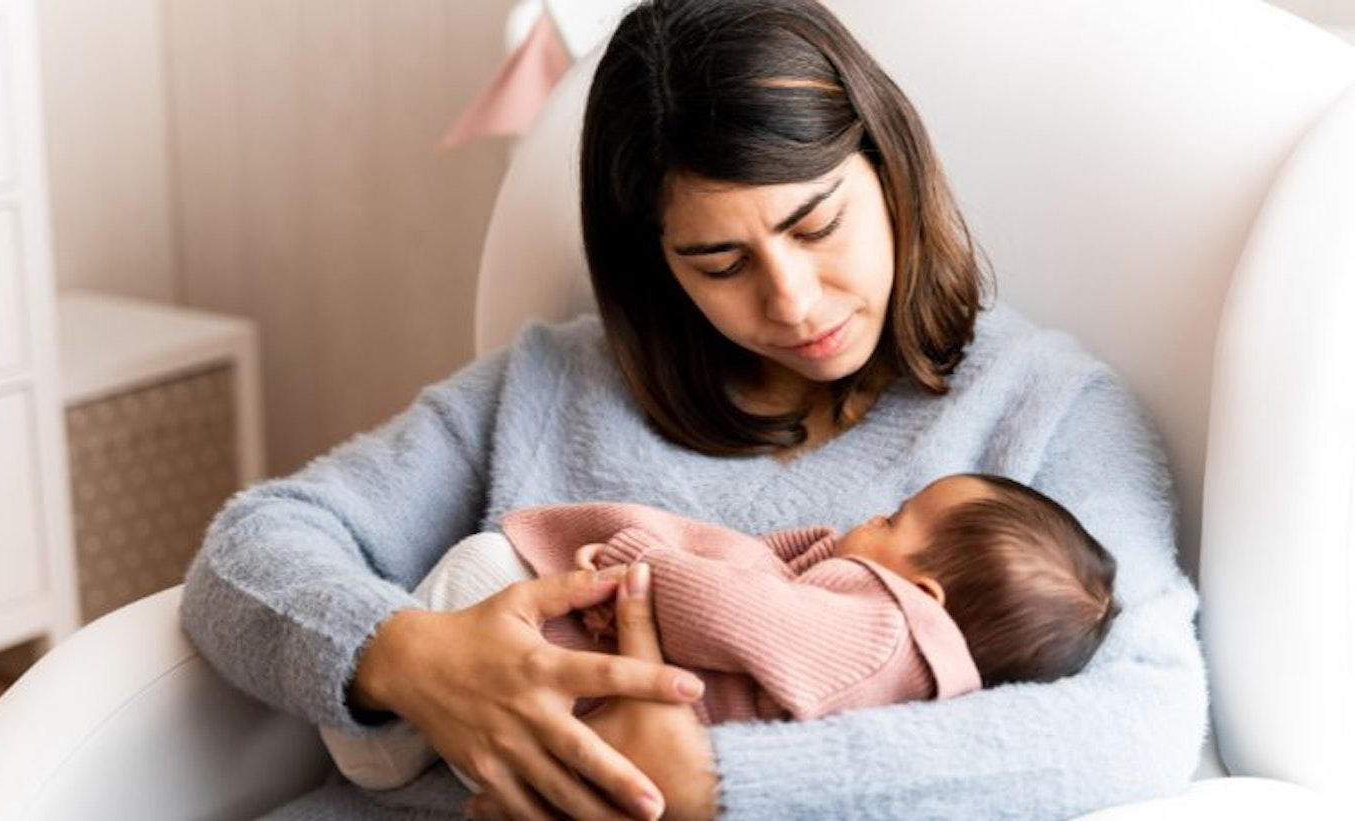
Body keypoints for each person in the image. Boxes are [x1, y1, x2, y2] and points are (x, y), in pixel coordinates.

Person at [181, 0, 1206, 817]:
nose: (793, 302)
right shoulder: (549, 385)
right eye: (719, 261)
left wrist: (715, 780)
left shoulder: (1050, 414)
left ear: (890, 173)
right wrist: (410, 659)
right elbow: (250, 547)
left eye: (818, 224)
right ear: (655, 264)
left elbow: (1144, 718)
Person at [319, 473, 1121, 793]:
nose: (866, 519)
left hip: (566, 680)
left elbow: (739, 614)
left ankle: (375, 741)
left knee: (484, 562)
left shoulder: (878, 623)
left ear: (921, 591)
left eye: (892, 519)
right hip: (581, 761)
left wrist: (640, 566)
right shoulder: (919, 690)